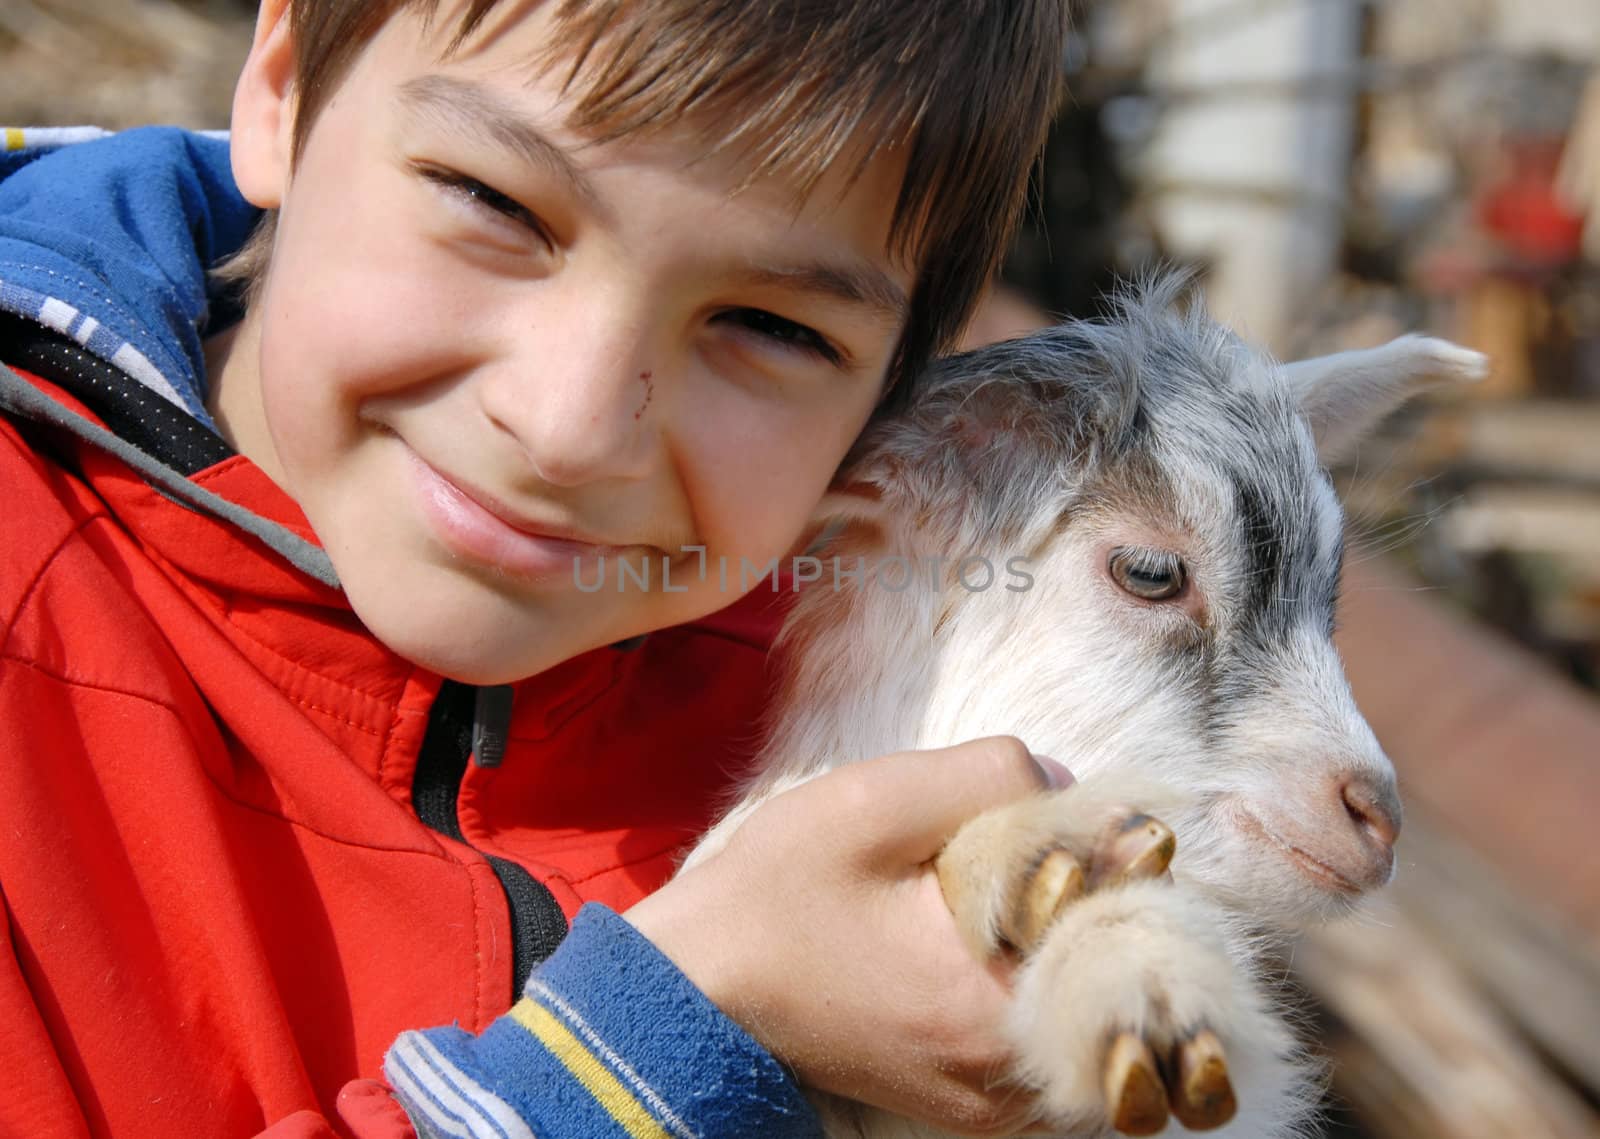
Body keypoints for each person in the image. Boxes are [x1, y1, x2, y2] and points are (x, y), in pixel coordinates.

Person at [0, 1, 1074, 1136]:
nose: (572, 429)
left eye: (771, 327)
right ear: (283, 88)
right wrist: (671, 1042)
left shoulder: (896, 690)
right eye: (493, 203)